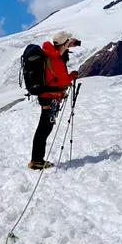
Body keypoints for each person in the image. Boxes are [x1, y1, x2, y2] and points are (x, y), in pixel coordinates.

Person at [28, 30, 79, 170]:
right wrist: (74, 74)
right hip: (50, 98)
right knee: (44, 129)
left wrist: (67, 47)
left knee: (43, 128)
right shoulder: (56, 60)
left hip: (45, 97)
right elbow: (64, 80)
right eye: (67, 42)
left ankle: (37, 159)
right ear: (64, 43)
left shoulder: (48, 54)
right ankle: (37, 160)